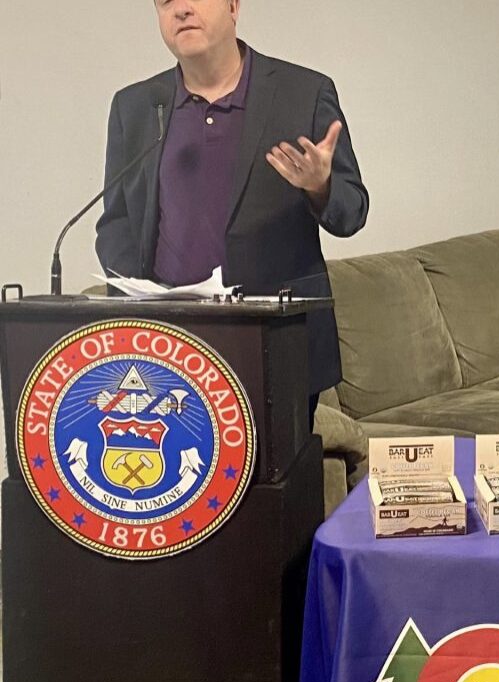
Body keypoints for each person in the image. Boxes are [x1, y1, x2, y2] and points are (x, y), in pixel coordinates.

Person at [95, 0, 368, 429]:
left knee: (273, 492)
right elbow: (116, 224)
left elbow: (351, 212)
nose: (180, 9)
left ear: (234, 6)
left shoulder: (303, 92)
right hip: (169, 349)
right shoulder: (136, 106)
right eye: (165, 1)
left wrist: (320, 186)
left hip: (275, 347)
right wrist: (143, 304)